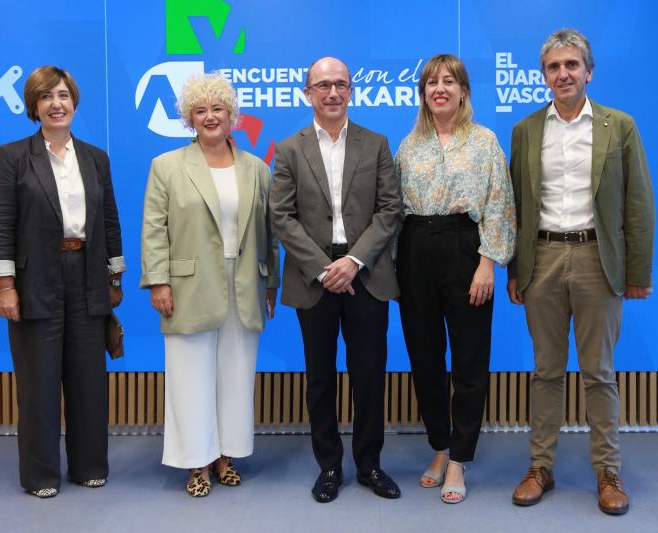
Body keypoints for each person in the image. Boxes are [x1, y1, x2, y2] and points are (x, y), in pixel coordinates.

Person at [508, 28, 655, 515]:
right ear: (544, 76)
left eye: (572, 65)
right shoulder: (526, 130)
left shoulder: (620, 126)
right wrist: (514, 270)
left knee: (599, 373)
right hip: (542, 259)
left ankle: (608, 473)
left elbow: (638, 205)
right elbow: (516, 208)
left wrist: (637, 271)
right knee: (546, 371)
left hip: (598, 259)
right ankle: (540, 467)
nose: (563, 74)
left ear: (588, 72)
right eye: (554, 67)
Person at [0, 66, 125, 498]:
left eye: (63, 95)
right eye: (46, 97)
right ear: (34, 107)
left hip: (88, 277)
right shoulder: (12, 156)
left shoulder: (96, 158)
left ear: (74, 102)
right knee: (38, 381)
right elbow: (0, 224)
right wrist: (5, 287)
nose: (56, 104)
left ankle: (88, 466)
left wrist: (114, 276)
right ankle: (41, 475)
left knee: (89, 380)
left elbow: (110, 222)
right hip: (35, 281)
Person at [270, 57, 402, 503]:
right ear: (307, 92)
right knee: (320, 378)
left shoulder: (377, 143)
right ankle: (329, 465)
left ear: (351, 92)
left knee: (369, 376)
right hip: (315, 278)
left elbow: (390, 211)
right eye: (322, 85)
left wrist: (355, 261)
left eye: (340, 85)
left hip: (367, 275)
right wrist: (325, 267)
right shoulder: (289, 149)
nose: (332, 93)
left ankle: (370, 465)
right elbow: (281, 217)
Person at [140, 72, 279, 498]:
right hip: (187, 286)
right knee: (190, 376)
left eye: (218, 108)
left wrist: (270, 282)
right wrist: (158, 282)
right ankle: (196, 461)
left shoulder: (257, 168)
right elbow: (153, 229)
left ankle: (226, 455)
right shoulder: (166, 166)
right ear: (188, 119)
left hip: (244, 284)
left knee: (236, 376)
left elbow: (269, 231)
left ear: (232, 115)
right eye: (200, 110)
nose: (210, 116)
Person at [394, 54, 515, 504]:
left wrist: (488, 262)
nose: (439, 88)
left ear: (463, 90)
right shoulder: (409, 145)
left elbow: (501, 204)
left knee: (468, 362)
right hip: (414, 250)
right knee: (424, 359)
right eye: (431, 82)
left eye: (449, 81)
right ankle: (440, 448)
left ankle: (461, 459)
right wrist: (392, 268)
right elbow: (392, 212)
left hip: (466, 249)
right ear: (423, 93)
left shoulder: (484, 141)